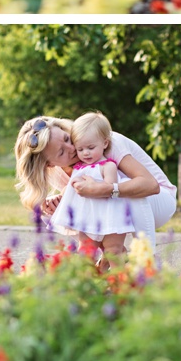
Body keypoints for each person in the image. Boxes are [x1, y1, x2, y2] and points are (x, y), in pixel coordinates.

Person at [14, 115, 177, 251]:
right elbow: (89, 206)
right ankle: (113, 255)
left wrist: (107, 189)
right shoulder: (55, 171)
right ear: (49, 164)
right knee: (55, 212)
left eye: (66, 138)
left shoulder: (102, 141)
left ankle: (146, 260)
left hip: (158, 202)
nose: (72, 148)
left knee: (128, 186)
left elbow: (151, 185)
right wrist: (60, 201)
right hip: (123, 207)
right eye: (61, 152)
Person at [47, 112, 133, 264]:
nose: (85, 153)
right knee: (85, 251)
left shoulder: (108, 166)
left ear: (105, 144)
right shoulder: (78, 169)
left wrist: (94, 185)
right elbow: (69, 190)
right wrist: (59, 197)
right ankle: (86, 281)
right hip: (88, 217)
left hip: (110, 216)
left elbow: (110, 188)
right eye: (80, 149)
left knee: (113, 250)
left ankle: (119, 282)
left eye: (90, 148)